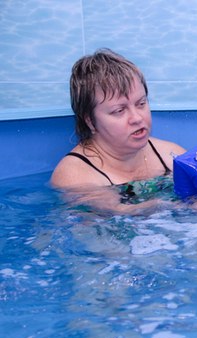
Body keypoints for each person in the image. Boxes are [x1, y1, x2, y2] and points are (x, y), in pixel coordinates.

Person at [51, 48, 186, 214]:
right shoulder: (75, 175)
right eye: (119, 111)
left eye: (141, 104)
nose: (137, 118)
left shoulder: (170, 155)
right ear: (90, 121)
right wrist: (163, 205)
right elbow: (113, 213)